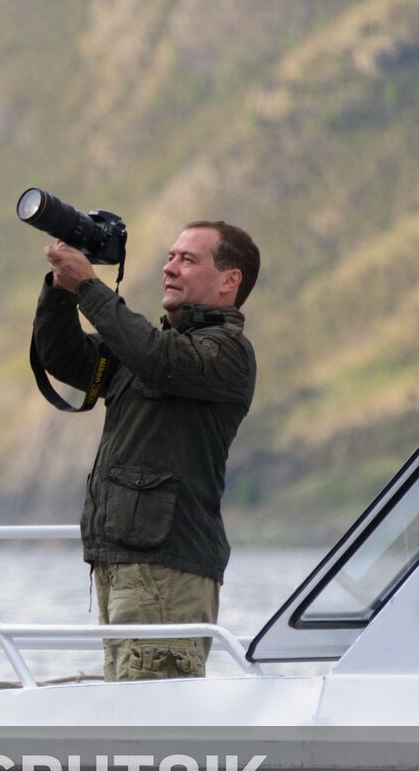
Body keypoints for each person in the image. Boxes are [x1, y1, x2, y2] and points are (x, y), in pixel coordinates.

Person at [29, 221, 260, 681]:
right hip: (122, 562)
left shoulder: (227, 352)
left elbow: (158, 361)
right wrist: (60, 289)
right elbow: (62, 356)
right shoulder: (144, 351)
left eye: (188, 260)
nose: (169, 268)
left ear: (229, 281)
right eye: (170, 257)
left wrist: (90, 287)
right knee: (129, 709)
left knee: (153, 713)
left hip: (168, 567)